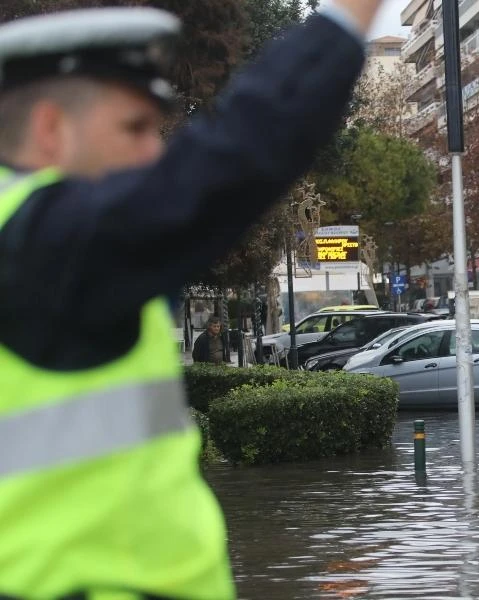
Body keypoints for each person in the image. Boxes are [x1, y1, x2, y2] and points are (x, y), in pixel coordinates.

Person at [0, 1, 383, 597]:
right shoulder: (50, 246)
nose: (155, 154)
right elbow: (236, 155)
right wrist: (345, 20)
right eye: (133, 129)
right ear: (51, 130)